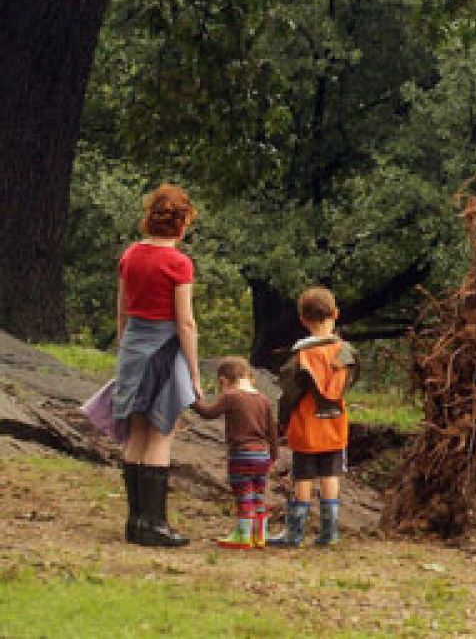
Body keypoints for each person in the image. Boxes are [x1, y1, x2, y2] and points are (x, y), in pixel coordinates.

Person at [113, 183, 205, 547]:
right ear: (182, 223)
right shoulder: (178, 262)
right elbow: (185, 322)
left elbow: (121, 309)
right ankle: (155, 524)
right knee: (160, 432)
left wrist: (126, 349)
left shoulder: (131, 254)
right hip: (164, 349)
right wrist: (194, 375)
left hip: (133, 348)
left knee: (136, 433)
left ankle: (135, 522)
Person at [269, 286, 358, 548]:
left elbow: (288, 395)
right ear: (336, 314)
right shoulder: (346, 353)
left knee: (303, 479)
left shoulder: (300, 357)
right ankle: (329, 533)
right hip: (334, 424)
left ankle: (294, 534)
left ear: (302, 319)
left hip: (305, 426)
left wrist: (282, 422)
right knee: (331, 477)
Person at [190, 356, 277, 549]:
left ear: (224, 381)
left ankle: (243, 536)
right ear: (249, 377)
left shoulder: (231, 396)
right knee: (258, 495)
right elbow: (272, 431)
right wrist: (273, 456)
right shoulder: (263, 399)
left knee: (244, 494)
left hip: (242, 455)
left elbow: (208, 413)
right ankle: (259, 535)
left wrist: (189, 398)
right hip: (262, 456)